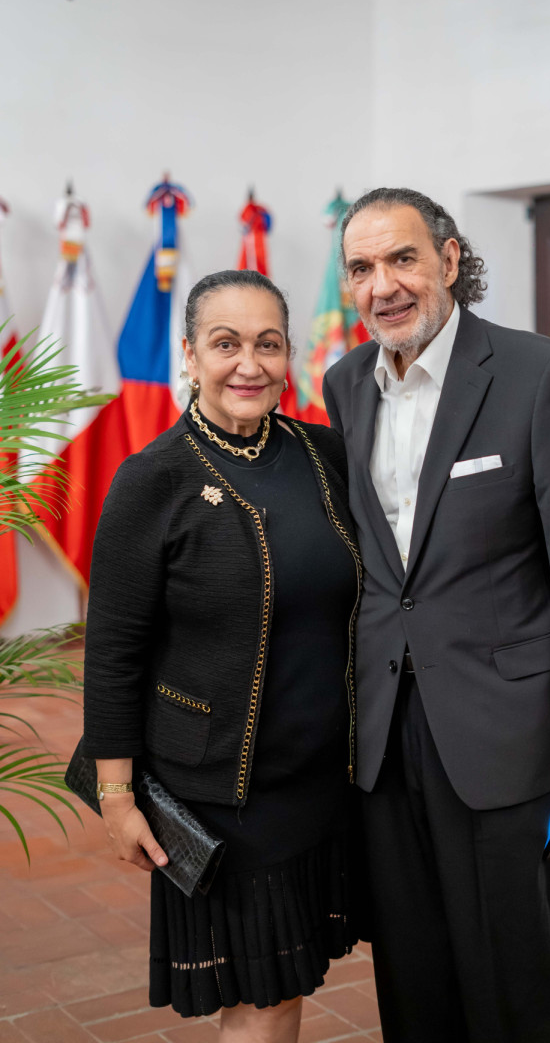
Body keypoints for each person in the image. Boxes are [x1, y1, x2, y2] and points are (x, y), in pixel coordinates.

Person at [323, 187, 550, 1043]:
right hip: (383, 731)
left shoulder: (541, 375)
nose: (382, 284)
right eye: (361, 267)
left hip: (504, 730)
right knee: (411, 968)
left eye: (403, 258)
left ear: (450, 260)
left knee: (513, 970)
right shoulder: (345, 384)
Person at [82, 270, 361, 1042]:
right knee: (262, 995)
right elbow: (112, 652)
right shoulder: (152, 480)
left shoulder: (322, 454)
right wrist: (116, 798)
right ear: (189, 354)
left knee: (288, 978)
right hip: (224, 795)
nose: (249, 364)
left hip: (322, 779)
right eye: (226, 343)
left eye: (268, 344)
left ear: (289, 356)